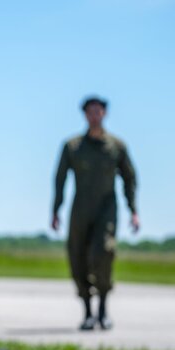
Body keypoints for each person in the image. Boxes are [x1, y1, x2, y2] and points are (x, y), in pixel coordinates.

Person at [52, 96, 139, 331]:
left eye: (98, 111)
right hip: (80, 208)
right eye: (91, 111)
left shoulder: (116, 147)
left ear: (104, 114)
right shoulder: (73, 147)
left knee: (104, 252)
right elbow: (59, 179)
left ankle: (103, 309)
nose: (95, 115)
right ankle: (88, 312)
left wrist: (134, 210)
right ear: (85, 115)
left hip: (106, 208)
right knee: (77, 256)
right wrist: (55, 209)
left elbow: (130, 178)